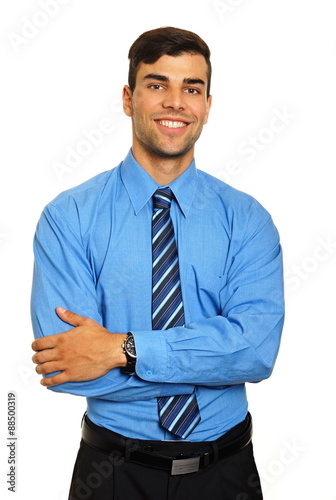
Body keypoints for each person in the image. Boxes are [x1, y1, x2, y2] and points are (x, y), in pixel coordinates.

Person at [31, 26, 284, 500]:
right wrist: (213, 364)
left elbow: (255, 351)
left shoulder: (248, 220)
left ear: (208, 104)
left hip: (227, 474)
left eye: (192, 88)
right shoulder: (69, 217)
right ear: (128, 99)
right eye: (156, 85)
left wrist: (121, 349)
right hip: (110, 475)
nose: (176, 101)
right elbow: (64, 364)